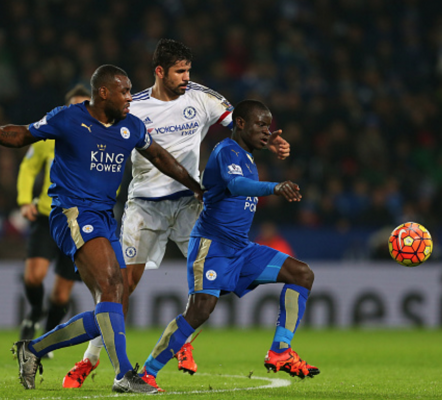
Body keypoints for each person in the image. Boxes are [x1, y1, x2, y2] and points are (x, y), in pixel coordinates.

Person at [64, 38, 291, 388]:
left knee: (213, 284)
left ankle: (180, 342)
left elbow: (243, 122)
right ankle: (89, 361)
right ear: (160, 71)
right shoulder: (134, 106)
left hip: (191, 202)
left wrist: (271, 138)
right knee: (121, 287)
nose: (186, 77)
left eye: (188, 70)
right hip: (144, 206)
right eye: (179, 71)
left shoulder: (201, 97)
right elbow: (100, 129)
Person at [0, 64, 203, 394]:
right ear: (103, 92)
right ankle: (124, 375)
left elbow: (159, 156)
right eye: (125, 91)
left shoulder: (130, 126)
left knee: (115, 301)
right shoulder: (68, 118)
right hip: (72, 212)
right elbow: (22, 135)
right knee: (110, 285)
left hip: (105, 216)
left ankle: (32, 350)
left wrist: (194, 185)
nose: (131, 97)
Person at [135, 100, 320, 392]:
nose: (266, 131)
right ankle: (146, 374)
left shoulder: (246, 155)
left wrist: (267, 142)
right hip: (213, 246)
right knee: (199, 311)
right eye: (260, 125)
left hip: (241, 249)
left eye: (268, 126)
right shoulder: (226, 151)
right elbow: (234, 185)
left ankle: (280, 351)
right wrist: (274, 187)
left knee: (302, 274)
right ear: (241, 124)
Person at [17, 84, 90, 347]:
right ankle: (35, 310)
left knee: (61, 295)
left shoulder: (100, 140)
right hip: (48, 216)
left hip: (78, 222)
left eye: (85, 106)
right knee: (33, 277)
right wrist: (25, 201)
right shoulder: (50, 135)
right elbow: (28, 166)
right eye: (75, 106)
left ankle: (45, 342)